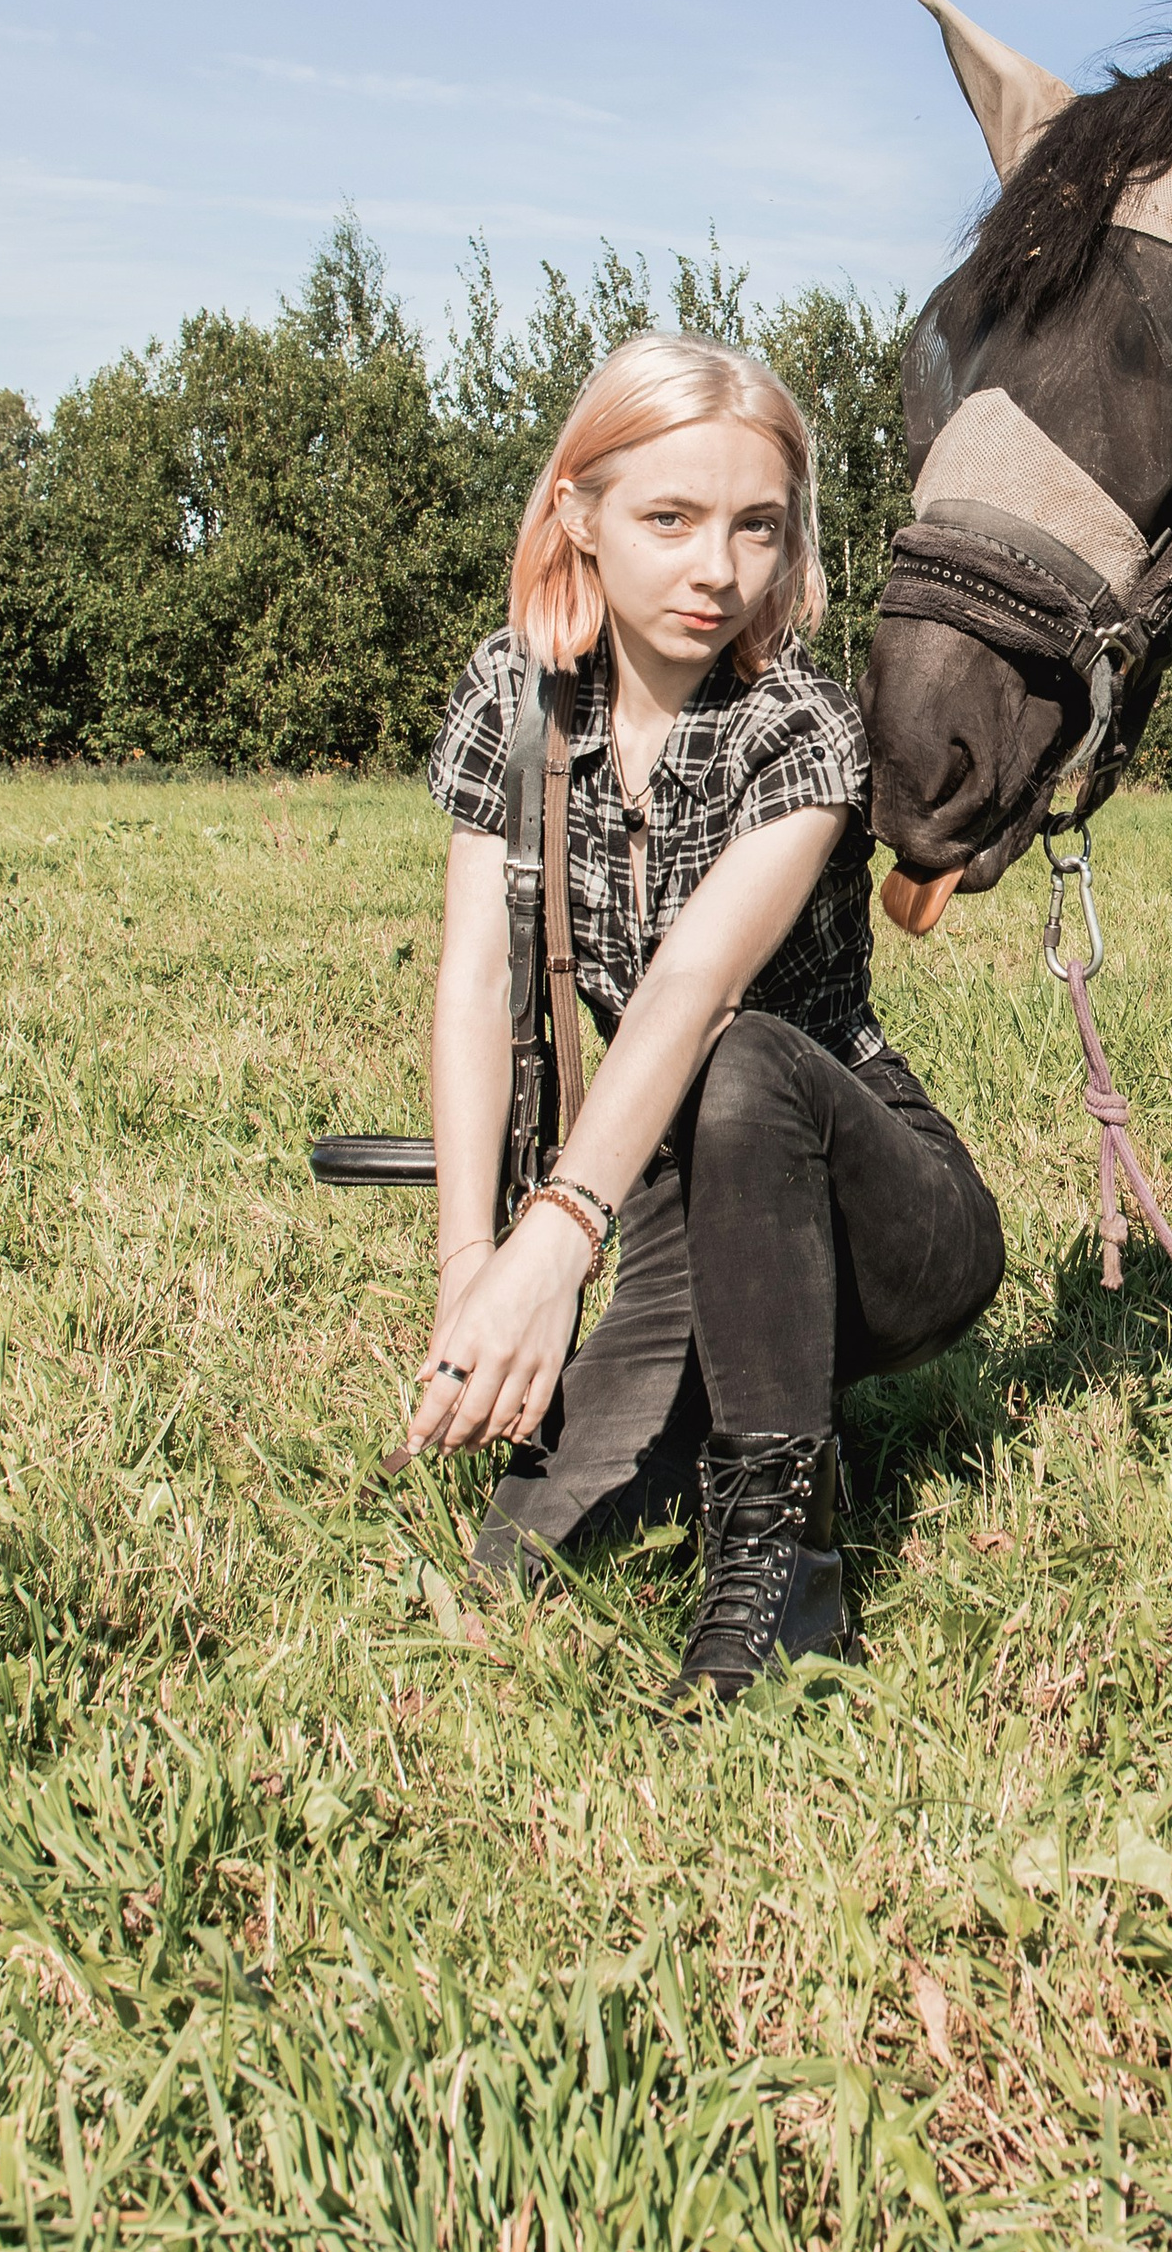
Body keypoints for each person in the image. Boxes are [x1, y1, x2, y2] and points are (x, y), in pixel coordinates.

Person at [411, 332, 1004, 1704]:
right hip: (684, 1203)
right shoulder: (514, 694)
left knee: (740, 1060)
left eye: (754, 525)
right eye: (669, 518)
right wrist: (470, 1265)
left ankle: (785, 1566)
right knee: (521, 1552)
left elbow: (689, 991)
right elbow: (476, 977)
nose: (715, 568)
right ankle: (766, 1404)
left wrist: (558, 1243)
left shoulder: (800, 727)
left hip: (882, 1206)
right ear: (579, 513)